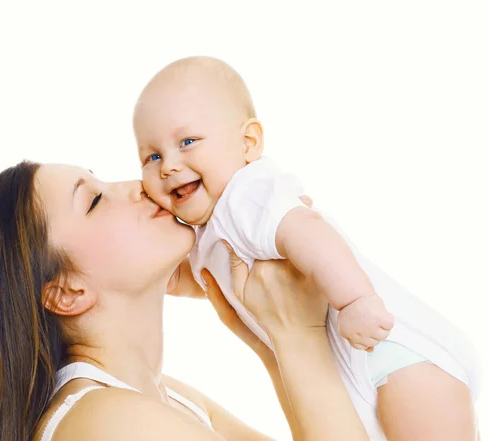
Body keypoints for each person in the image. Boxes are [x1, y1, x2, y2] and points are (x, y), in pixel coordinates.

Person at [135, 56, 480, 439]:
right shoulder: (207, 232)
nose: (168, 166)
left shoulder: (248, 195)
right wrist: (158, 276)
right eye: (152, 156)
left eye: (188, 142)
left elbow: (309, 232)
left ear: (248, 143)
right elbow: (205, 280)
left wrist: (355, 300)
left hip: (394, 354)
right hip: (352, 366)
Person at [0, 161, 368, 441]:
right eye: (93, 200)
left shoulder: (166, 399)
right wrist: (298, 338)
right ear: (67, 292)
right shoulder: (110, 422)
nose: (135, 184)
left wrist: (270, 338)